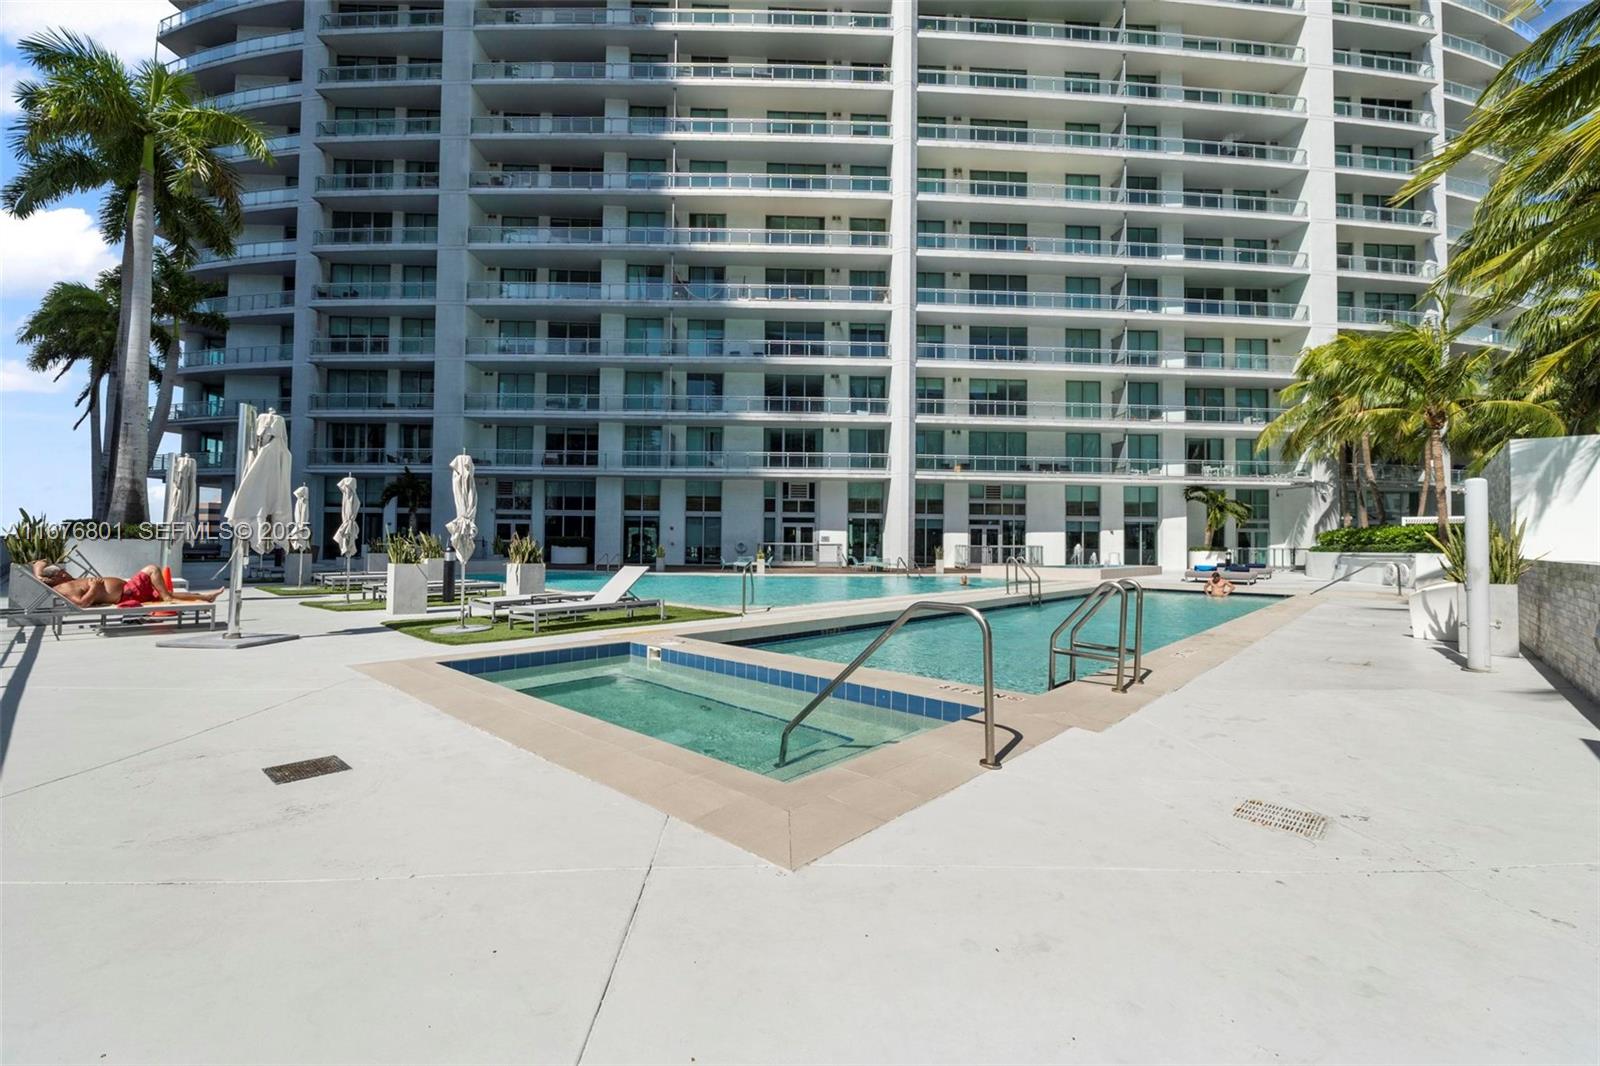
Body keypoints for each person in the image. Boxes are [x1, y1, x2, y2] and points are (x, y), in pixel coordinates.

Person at [32, 561, 224, 609]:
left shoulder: (64, 582)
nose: (66, 573)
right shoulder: (64, 588)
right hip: (127, 593)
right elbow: (82, 603)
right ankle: (167, 597)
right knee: (152, 569)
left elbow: (39, 562)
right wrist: (95, 588)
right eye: (63, 572)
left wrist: (39, 574)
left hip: (129, 590)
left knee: (165, 594)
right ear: (58, 577)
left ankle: (206, 597)